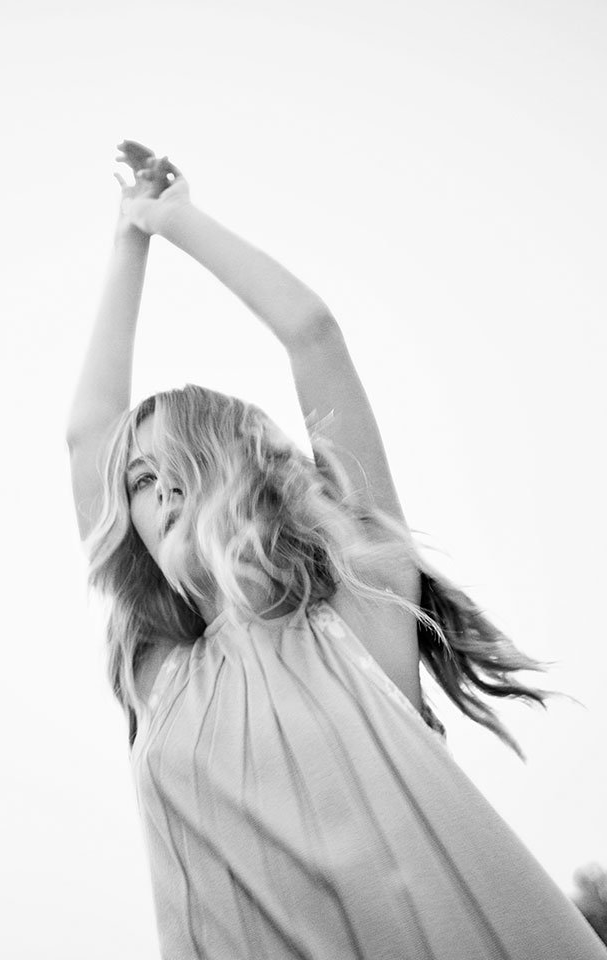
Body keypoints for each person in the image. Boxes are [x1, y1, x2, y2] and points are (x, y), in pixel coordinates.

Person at [65, 140, 607, 959]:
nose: (163, 490)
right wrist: (125, 241)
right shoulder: (158, 676)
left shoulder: (358, 604)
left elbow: (313, 335)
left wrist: (172, 218)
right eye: (141, 480)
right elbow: (87, 435)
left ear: (246, 473)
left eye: (186, 464)